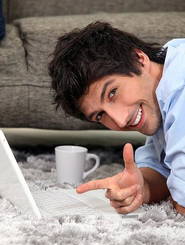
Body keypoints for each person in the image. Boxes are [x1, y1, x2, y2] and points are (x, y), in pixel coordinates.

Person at [48, 21, 185, 215]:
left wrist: (176, 195)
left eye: (112, 93)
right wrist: (142, 188)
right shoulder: (163, 75)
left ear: (139, 59)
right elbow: (161, 168)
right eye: (100, 115)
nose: (120, 121)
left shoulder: (180, 86)